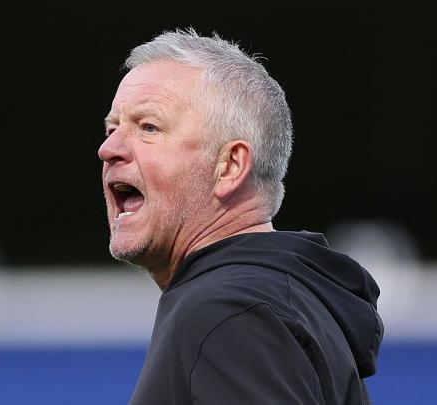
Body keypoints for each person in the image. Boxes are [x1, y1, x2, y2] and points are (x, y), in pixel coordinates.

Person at [98, 28, 383, 405]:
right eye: (113, 128)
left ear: (230, 166)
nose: (108, 148)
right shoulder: (277, 300)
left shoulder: (228, 311)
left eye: (149, 127)